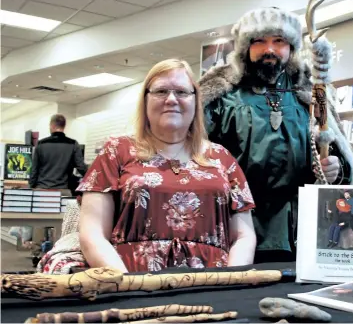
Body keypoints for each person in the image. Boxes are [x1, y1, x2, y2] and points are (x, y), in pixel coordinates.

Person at [198, 7, 353, 262]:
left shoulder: (314, 94)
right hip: (232, 228)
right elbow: (193, 160)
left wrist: (335, 169)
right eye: (259, 41)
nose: (269, 49)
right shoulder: (219, 96)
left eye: (278, 41)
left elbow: (337, 154)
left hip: (298, 230)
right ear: (245, 47)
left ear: (291, 48)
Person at [77, 59, 256, 273]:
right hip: (132, 283)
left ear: (196, 101)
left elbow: (245, 237)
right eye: (161, 91)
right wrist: (126, 285)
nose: (171, 99)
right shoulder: (116, 151)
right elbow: (92, 233)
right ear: (145, 100)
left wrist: (230, 283)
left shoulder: (221, 157)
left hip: (210, 287)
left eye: (181, 92)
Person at [29, 114, 88, 193]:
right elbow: (81, 168)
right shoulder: (73, 144)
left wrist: (31, 187)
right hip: (63, 190)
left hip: (42, 190)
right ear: (64, 126)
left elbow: (34, 170)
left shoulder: (41, 144)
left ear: (52, 125)